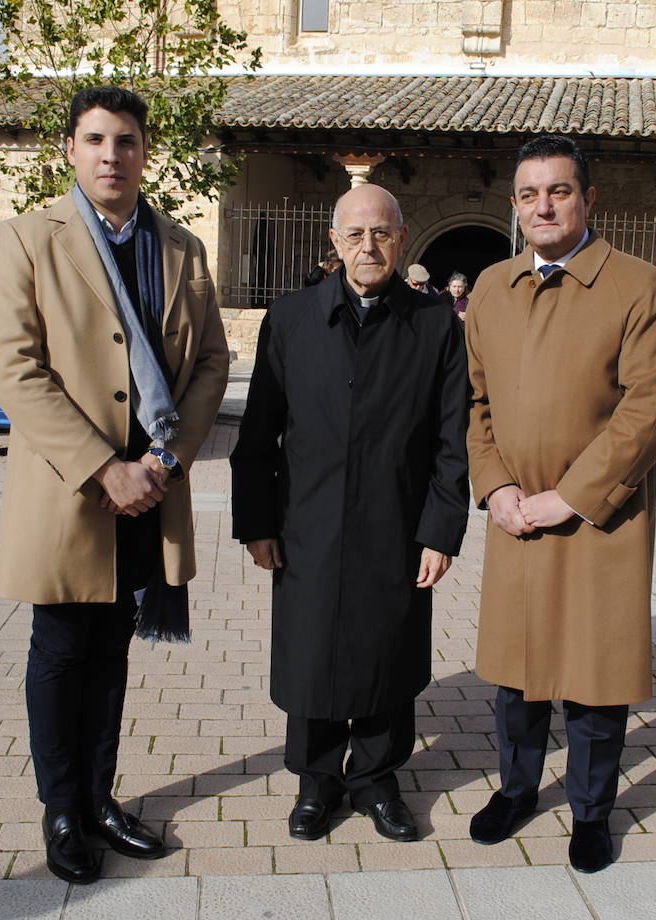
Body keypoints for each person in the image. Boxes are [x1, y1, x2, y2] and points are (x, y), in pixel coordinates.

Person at [0, 85, 229, 883]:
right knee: (60, 648)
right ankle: (61, 810)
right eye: (95, 140)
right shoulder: (27, 237)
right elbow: (14, 367)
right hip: (72, 489)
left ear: (145, 152)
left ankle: (98, 797)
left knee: (114, 648)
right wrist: (104, 467)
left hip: (151, 489)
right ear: (70, 151)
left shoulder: (183, 249)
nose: (111, 155)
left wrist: (162, 462)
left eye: (125, 141)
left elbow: (212, 363)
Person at [464, 134, 656, 873]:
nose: (543, 205)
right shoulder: (491, 286)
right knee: (517, 678)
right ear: (516, 206)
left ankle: (592, 811)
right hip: (516, 512)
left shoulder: (637, 285)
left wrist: (573, 497)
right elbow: (473, 400)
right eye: (528, 194)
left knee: (594, 680)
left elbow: (647, 411)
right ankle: (518, 790)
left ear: (589, 199)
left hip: (598, 518)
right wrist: (494, 486)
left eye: (558, 191)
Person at [231, 183, 469, 844]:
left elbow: (452, 440)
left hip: (396, 524)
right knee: (312, 651)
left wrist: (440, 530)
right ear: (334, 242)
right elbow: (258, 434)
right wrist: (256, 523)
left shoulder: (433, 324)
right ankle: (316, 780)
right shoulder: (291, 319)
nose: (370, 245)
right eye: (356, 234)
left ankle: (377, 777)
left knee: (386, 650)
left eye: (382, 233)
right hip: (305, 524)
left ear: (402, 238)